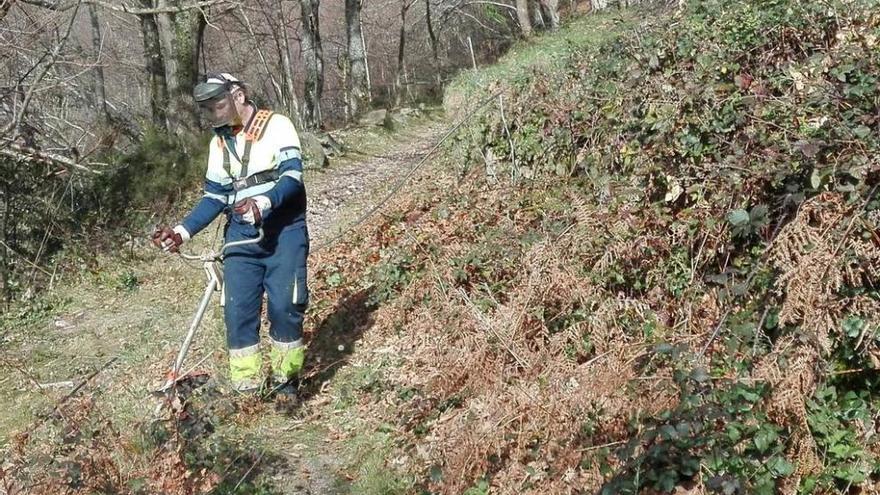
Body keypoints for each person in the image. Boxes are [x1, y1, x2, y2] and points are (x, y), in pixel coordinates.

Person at [151, 73, 308, 395]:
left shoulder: (277, 125)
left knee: (285, 306)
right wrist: (182, 232)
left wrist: (265, 202)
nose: (214, 114)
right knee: (237, 312)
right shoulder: (218, 142)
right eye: (208, 108)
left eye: (218, 104)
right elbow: (214, 197)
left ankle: (285, 383)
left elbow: (292, 177)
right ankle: (247, 390)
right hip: (241, 236)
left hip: (284, 231)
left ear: (239, 95)